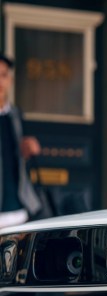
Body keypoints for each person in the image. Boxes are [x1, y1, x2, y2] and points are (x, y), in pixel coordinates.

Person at [0, 53, 42, 228]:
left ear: (10, 80)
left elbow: (29, 150)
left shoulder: (16, 116)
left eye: (3, 75)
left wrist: (31, 148)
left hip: (18, 211)